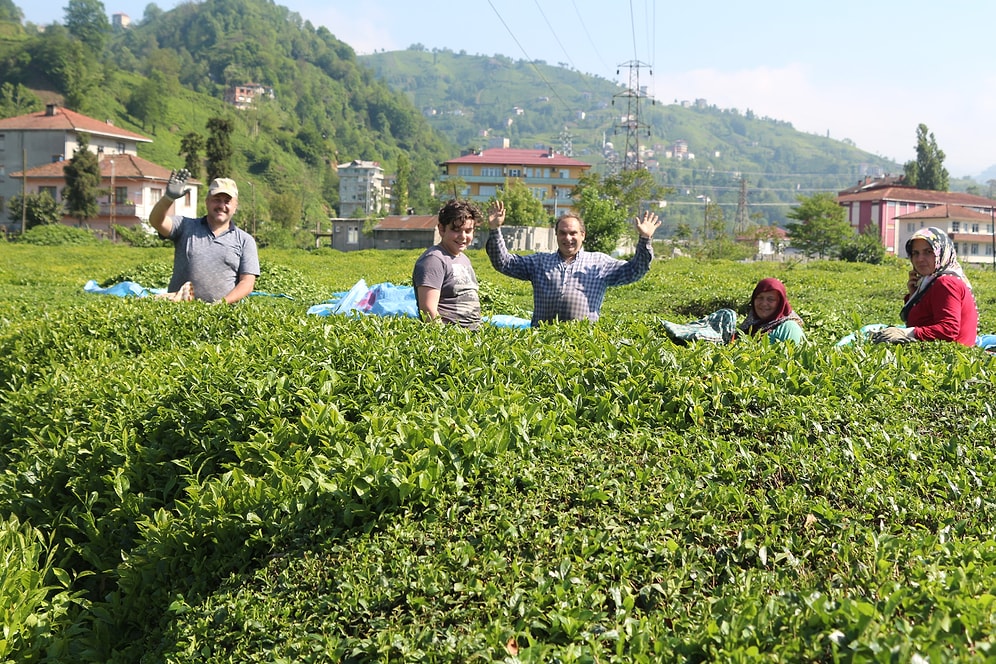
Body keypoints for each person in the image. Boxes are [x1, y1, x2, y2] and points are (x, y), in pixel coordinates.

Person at [485, 201, 660, 326]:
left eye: (573, 233)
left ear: (583, 235)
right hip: (542, 340)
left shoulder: (599, 263)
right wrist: (494, 229)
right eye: (562, 233)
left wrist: (645, 239)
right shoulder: (539, 262)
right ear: (556, 235)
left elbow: (636, 270)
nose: (568, 238)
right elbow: (504, 262)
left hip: (582, 343)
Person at [149, 169, 260, 305]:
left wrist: (221, 304)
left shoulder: (245, 240)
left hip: (221, 315)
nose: (221, 205)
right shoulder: (185, 226)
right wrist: (168, 198)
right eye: (216, 200)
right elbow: (156, 222)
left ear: (235, 206)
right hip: (179, 311)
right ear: (207, 202)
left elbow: (247, 283)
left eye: (227, 201)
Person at [872, 226, 978, 346]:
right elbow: (924, 320)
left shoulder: (946, 283)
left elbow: (948, 330)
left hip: (949, 358)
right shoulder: (931, 282)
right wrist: (914, 295)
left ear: (942, 253)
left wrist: (907, 333)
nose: (920, 259)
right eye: (915, 253)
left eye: (928, 252)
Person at [412, 199, 483, 329]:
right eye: (456, 230)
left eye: (468, 231)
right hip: (452, 338)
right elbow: (428, 310)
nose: (463, 236)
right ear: (442, 229)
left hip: (472, 336)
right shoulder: (433, 260)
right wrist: (445, 339)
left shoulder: (464, 258)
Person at [739, 277, 806, 343]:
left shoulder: (789, 328)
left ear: (780, 303)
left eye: (771, 299)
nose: (764, 303)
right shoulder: (750, 324)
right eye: (760, 298)